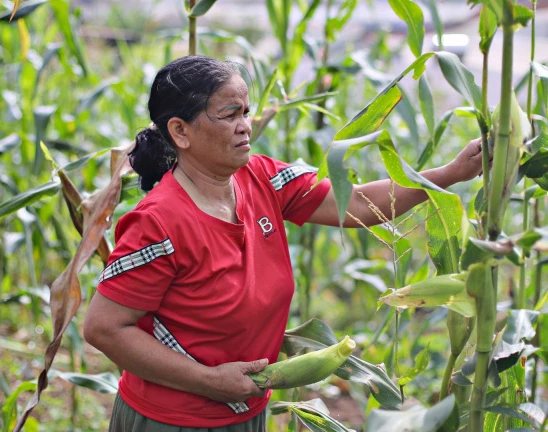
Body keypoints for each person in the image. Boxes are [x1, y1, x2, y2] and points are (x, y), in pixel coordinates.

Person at [84, 55, 483, 432]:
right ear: (180, 131)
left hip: (244, 413)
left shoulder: (262, 177)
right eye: (229, 115)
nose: (246, 125)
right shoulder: (159, 223)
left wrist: (451, 173)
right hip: (171, 421)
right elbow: (104, 329)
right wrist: (208, 381)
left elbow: (357, 203)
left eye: (245, 111)